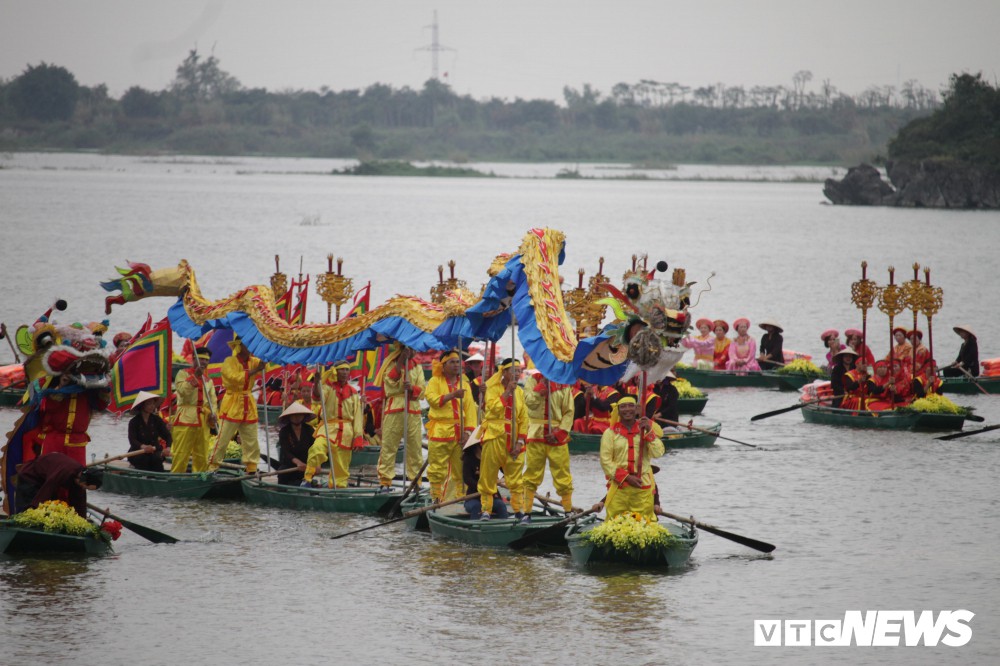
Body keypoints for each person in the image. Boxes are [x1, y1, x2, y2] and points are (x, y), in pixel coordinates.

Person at [422, 350, 477, 501]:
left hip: (460, 434)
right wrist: (453, 395)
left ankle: (458, 499)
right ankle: (436, 499)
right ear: (443, 365)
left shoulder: (464, 384)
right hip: (440, 431)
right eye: (452, 362)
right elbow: (432, 400)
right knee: (437, 469)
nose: (456, 365)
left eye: (458, 362)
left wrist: (468, 432)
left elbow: (470, 410)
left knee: (460, 470)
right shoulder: (434, 381)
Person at [477, 358, 528, 521]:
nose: (517, 373)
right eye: (513, 370)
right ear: (504, 372)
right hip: (495, 435)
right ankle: (486, 510)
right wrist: (506, 393)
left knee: (516, 477)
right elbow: (492, 411)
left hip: (513, 439)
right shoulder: (492, 388)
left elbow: (524, 418)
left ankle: (519, 510)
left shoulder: (520, 392)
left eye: (519, 370)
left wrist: (520, 441)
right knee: (488, 474)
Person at [599, 396, 664, 520]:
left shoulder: (644, 429)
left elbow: (658, 453)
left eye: (631, 406)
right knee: (615, 524)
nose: (627, 409)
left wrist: (649, 431)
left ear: (637, 409)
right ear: (618, 410)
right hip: (619, 486)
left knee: (645, 524)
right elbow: (605, 461)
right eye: (623, 406)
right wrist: (627, 477)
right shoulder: (610, 433)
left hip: (642, 486)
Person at [522, 371, 575, 521]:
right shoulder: (533, 380)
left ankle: (568, 510)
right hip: (536, 434)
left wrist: (559, 432)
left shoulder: (563, 383)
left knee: (562, 474)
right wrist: (540, 388)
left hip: (557, 436)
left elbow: (569, 412)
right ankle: (527, 512)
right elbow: (529, 403)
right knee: (531, 474)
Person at [302, 361, 364, 488]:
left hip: (346, 431)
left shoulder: (353, 392)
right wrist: (317, 383)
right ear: (336, 371)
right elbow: (318, 398)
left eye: (347, 370)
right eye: (342, 369)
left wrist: (358, 437)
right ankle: (308, 478)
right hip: (328, 427)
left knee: (341, 465)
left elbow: (357, 417)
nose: (345, 373)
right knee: (316, 450)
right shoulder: (327, 387)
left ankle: (338, 488)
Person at [209, 336, 264, 473]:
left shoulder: (254, 361)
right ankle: (212, 466)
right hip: (232, 402)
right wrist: (255, 371)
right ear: (239, 346)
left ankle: (251, 467)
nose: (250, 347)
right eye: (248, 344)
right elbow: (235, 378)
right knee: (223, 438)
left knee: (251, 438)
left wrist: (266, 351)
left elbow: (265, 365)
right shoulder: (229, 362)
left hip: (248, 403)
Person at [32, 372, 110, 466]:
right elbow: (48, 408)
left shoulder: (90, 389)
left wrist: (104, 386)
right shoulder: (52, 385)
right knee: (50, 474)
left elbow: (101, 405)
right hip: (54, 439)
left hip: (77, 442)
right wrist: (61, 386)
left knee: (76, 476)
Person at [376, 343, 426, 490]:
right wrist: (400, 363)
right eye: (409, 348)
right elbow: (389, 384)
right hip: (394, 409)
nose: (413, 351)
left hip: (413, 410)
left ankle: (416, 481)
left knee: (415, 448)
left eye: (414, 348)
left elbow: (422, 391)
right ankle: (385, 481)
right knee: (389, 446)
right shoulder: (391, 364)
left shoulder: (417, 367)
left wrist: (412, 388)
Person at [170, 346, 217, 474]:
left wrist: (213, 415)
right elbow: (182, 392)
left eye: (206, 360)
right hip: (186, 416)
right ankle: (176, 475)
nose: (204, 362)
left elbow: (213, 402)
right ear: (194, 359)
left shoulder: (209, 381)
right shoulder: (182, 373)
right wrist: (195, 376)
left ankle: (199, 476)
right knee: (181, 452)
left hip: (203, 420)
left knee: (202, 453)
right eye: (201, 359)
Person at [13, 452, 103, 518]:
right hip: (30, 476)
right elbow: (45, 491)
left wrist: (82, 521)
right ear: (85, 478)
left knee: (52, 508)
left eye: (87, 488)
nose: (84, 488)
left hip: (45, 480)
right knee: (28, 508)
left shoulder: (80, 481)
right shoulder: (65, 472)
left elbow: (79, 503)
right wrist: (31, 510)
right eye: (86, 485)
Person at [461, 439, 508, 519]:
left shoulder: (492, 457)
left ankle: (506, 528)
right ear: (477, 445)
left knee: (501, 505)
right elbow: (467, 479)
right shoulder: (468, 459)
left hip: (492, 495)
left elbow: (506, 471)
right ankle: (475, 529)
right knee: (477, 507)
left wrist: (504, 479)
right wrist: (483, 487)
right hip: (474, 497)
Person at [127, 391, 172, 472]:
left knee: (157, 459)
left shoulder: (156, 420)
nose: (152, 406)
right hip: (138, 452)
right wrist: (144, 447)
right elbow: (132, 440)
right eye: (149, 404)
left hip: (155, 451)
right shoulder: (133, 422)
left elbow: (167, 436)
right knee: (143, 460)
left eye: (153, 403)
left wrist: (168, 448)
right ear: (142, 405)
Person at [276, 401, 316, 486]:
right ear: (289, 417)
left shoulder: (309, 429)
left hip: (306, 465)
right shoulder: (284, 431)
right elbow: (286, 451)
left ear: (303, 416)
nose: (297, 417)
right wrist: (298, 463)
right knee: (282, 473)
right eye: (294, 415)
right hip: (290, 466)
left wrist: (317, 464)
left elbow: (315, 448)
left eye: (299, 414)